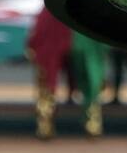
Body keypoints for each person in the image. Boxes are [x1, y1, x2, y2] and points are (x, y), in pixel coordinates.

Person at [26, 7, 105, 139]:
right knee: (89, 75)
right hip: (75, 18)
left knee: (48, 75)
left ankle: (45, 123)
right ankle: (92, 121)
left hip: (64, 16)